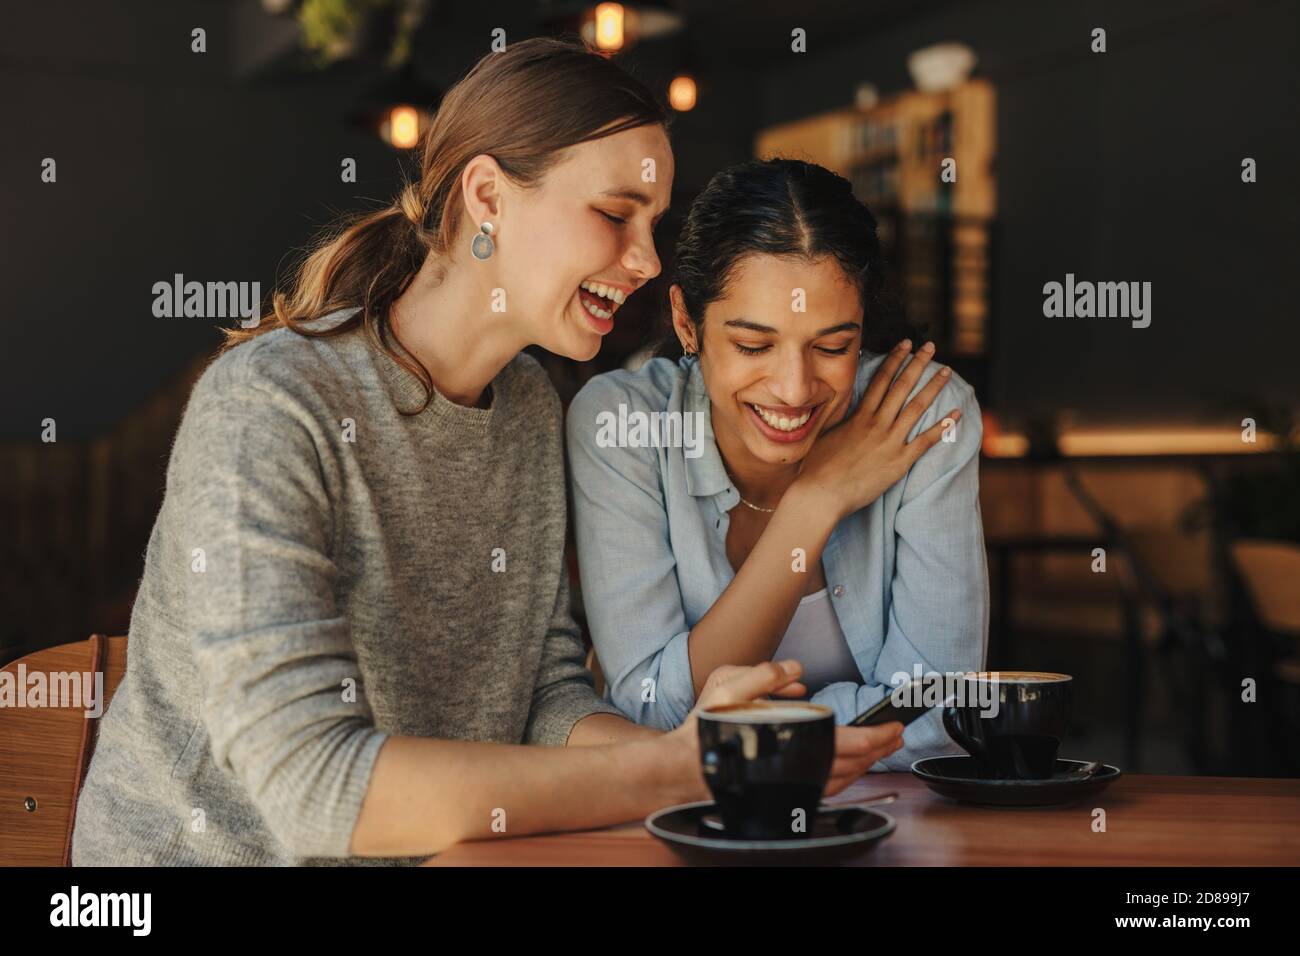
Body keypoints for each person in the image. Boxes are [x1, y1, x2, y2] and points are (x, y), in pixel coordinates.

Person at [71, 42, 902, 867]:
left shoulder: (531, 407)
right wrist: (665, 770)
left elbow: (543, 693)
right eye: (616, 216)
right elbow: (313, 786)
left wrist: (701, 750)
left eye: (652, 224)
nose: (648, 261)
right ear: (487, 197)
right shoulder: (271, 405)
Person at [568, 158, 989, 769]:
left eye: (832, 346)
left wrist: (738, 731)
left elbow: (936, 717)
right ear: (687, 321)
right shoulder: (623, 426)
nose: (793, 389)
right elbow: (646, 712)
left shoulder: (924, 416)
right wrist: (814, 503)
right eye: (753, 345)